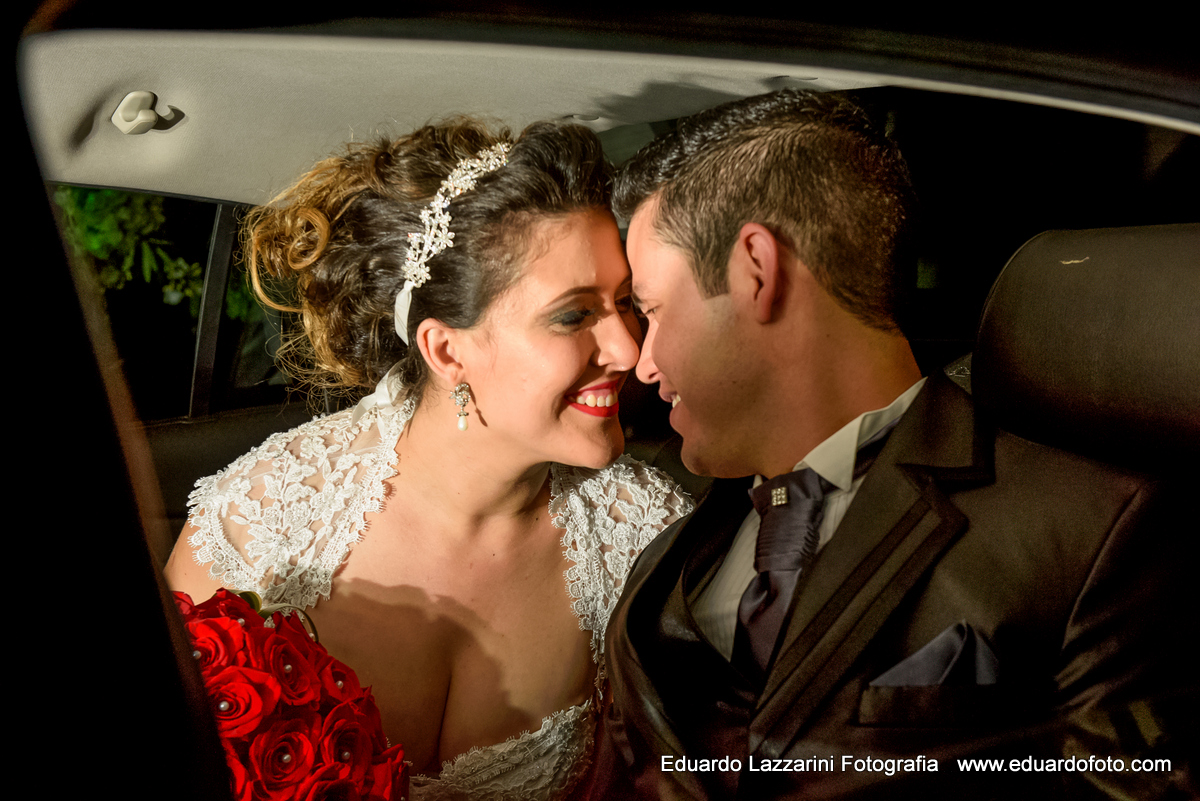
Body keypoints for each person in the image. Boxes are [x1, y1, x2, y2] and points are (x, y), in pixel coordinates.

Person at [593, 90, 1190, 799]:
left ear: (757, 268)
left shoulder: (1097, 531)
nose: (643, 360)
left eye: (654, 310)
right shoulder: (660, 524)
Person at [164, 118, 693, 800]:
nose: (629, 350)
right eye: (573, 315)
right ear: (447, 351)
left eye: (625, 304)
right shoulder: (262, 521)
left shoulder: (647, 534)